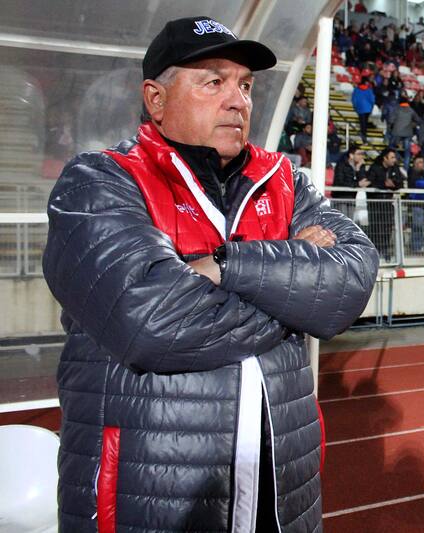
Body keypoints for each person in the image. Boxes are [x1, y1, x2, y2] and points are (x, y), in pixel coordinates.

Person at [42, 16, 379, 532]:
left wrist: (226, 266)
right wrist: (292, 297)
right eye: (213, 81)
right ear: (156, 99)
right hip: (151, 495)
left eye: (245, 84)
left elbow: (350, 282)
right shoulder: (100, 181)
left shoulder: (285, 180)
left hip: (282, 495)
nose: (238, 100)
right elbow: (152, 323)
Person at [366, 147, 403, 259]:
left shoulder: (395, 168)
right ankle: (375, 252)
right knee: (376, 228)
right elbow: (371, 182)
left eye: (394, 157)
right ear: (385, 158)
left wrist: (394, 184)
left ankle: (385, 251)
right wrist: (384, 184)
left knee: (387, 228)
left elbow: (400, 183)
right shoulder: (375, 167)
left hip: (388, 203)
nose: (394, 160)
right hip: (375, 204)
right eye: (392, 157)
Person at [332, 144, 368, 218]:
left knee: (349, 221)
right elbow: (339, 182)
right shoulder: (341, 165)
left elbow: (363, 180)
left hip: (352, 197)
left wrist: (358, 169)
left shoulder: (360, 166)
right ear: (351, 155)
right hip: (340, 198)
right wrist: (357, 184)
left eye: (362, 154)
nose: (361, 156)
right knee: (342, 221)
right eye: (359, 154)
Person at [388, 96, 420, 170]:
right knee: (407, 153)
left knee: (391, 149)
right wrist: (412, 124)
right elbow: (418, 120)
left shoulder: (397, 109)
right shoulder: (411, 110)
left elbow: (391, 120)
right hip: (408, 133)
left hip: (396, 132)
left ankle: (393, 166)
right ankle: (406, 169)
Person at [407, 155, 424, 253]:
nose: (422, 165)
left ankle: (419, 245)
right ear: (415, 164)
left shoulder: (423, 174)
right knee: (417, 226)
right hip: (416, 203)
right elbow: (419, 184)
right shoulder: (412, 173)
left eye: (422, 162)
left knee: (421, 226)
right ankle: (415, 247)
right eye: (420, 162)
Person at [351, 78, 375, 143]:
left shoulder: (356, 90)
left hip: (359, 108)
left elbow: (354, 99)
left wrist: (355, 107)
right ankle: (364, 135)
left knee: (362, 123)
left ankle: (363, 136)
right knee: (365, 122)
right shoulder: (369, 90)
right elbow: (372, 100)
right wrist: (371, 107)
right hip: (368, 108)